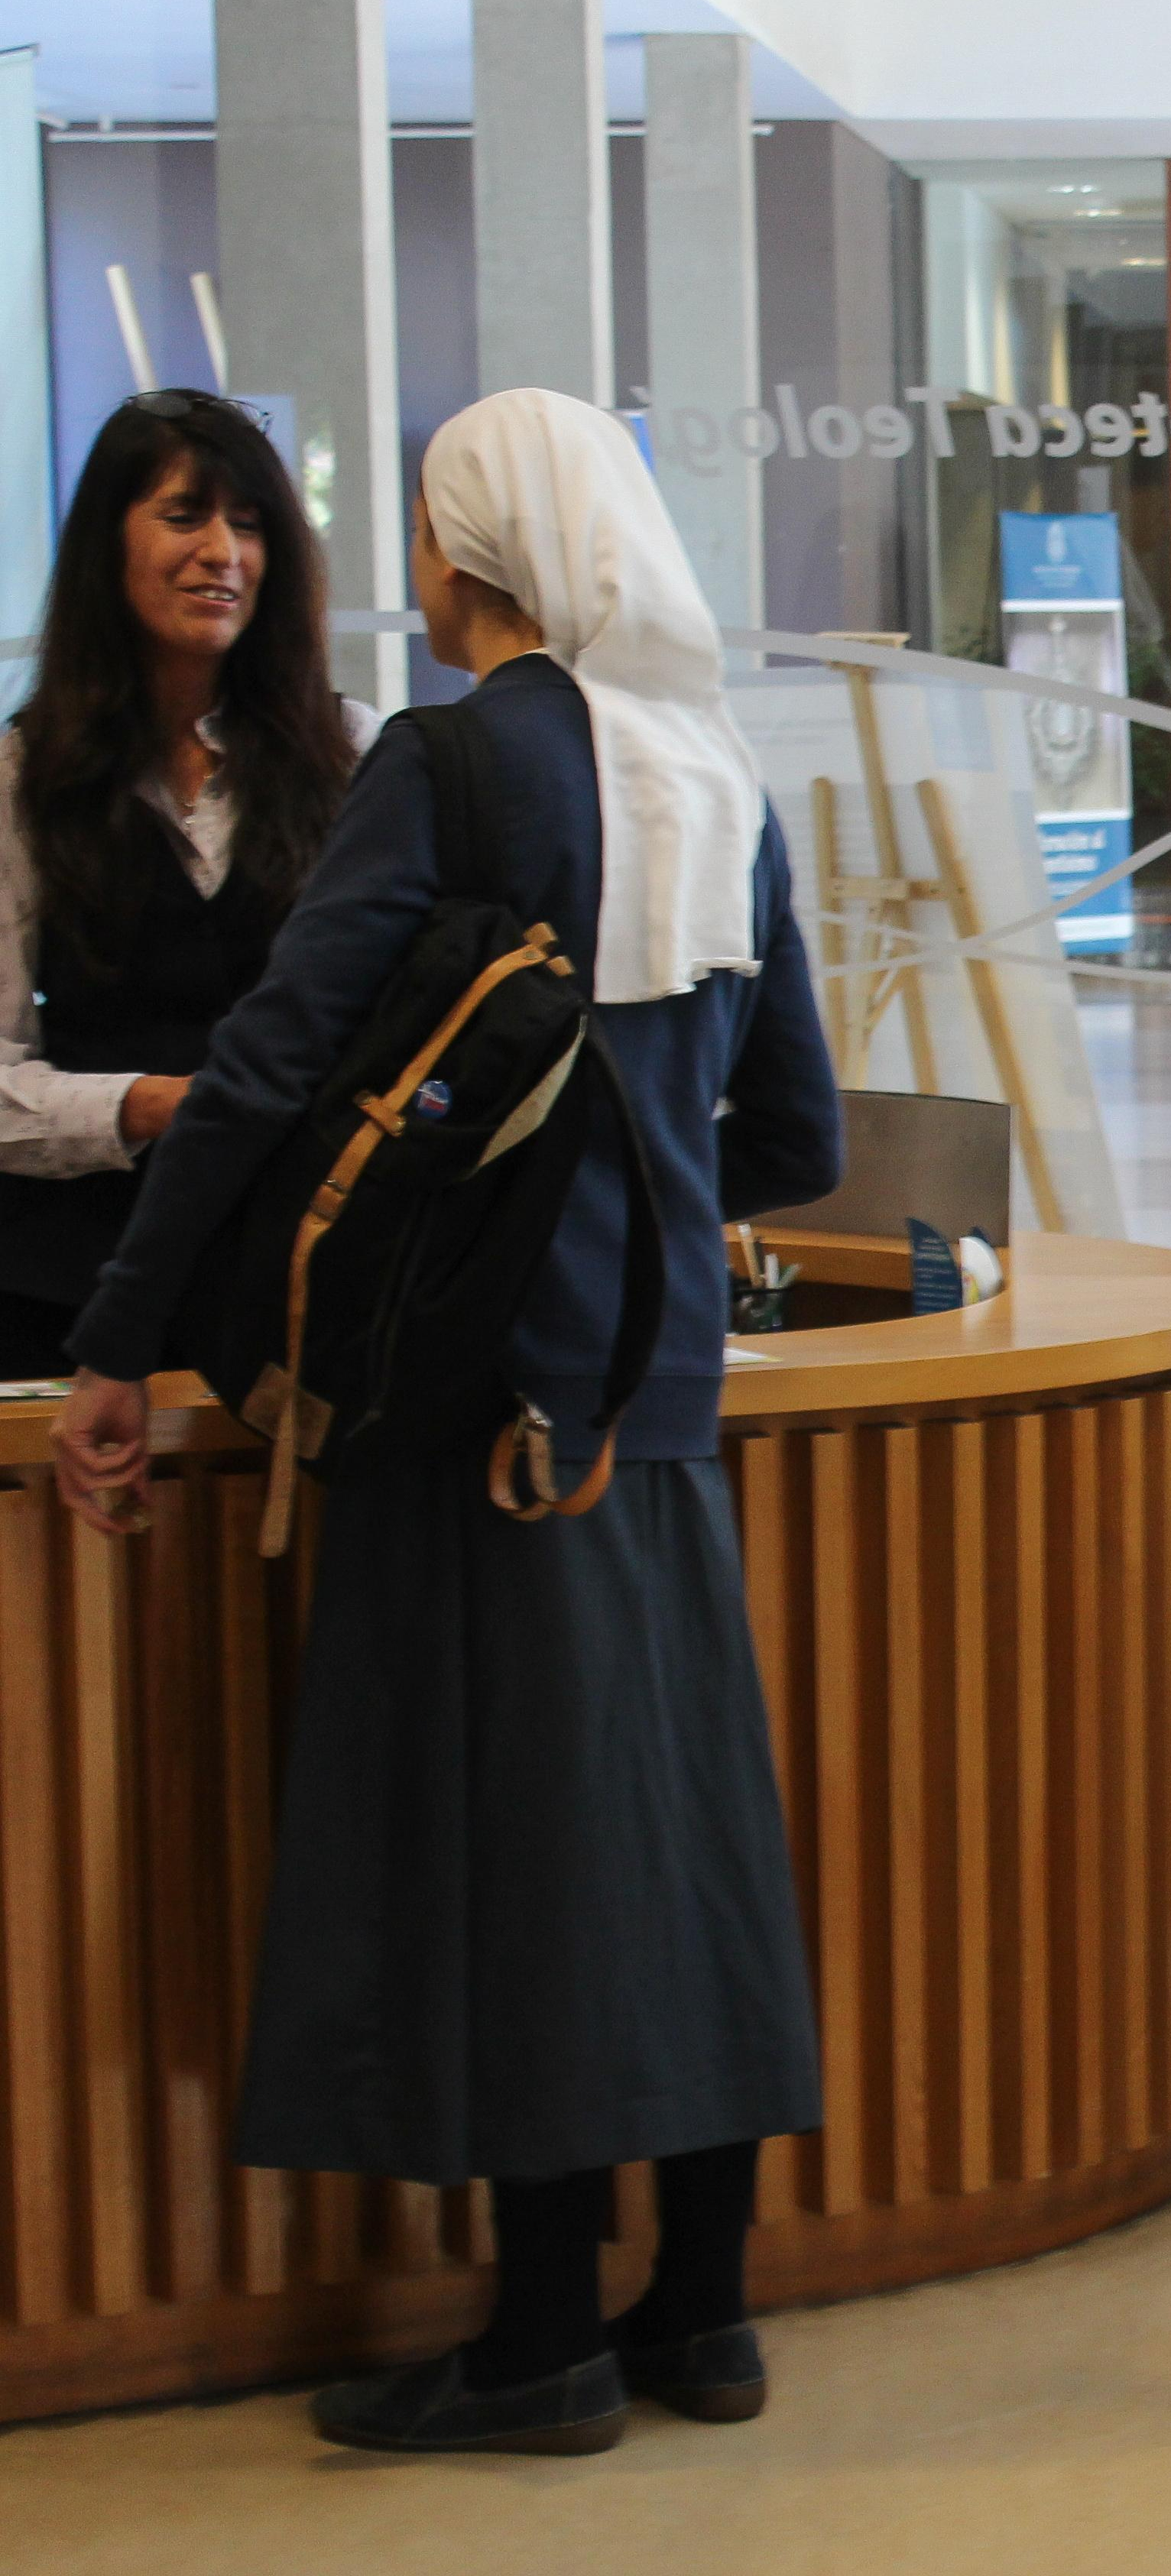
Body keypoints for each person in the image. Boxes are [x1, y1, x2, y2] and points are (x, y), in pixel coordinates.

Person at [50, 388, 844, 2451]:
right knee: (680, 1850)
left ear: (464, 548)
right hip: (660, 1416)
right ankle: (704, 2316)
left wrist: (125, 1341)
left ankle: (535, 2344)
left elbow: (264, 1068)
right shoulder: (722, 777)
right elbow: (796, 1134)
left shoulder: (459, 762)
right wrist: (642, 1205)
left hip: (479, 1412)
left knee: (518, 1863)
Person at [0, 391, 371, 1376]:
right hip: (67, 1295)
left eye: (248, 527)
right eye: (183, 516)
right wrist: (153, 1105)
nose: (223, 553)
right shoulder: (20, 779)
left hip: (305, 1293)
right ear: (105, 545)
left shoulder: (356, 754)